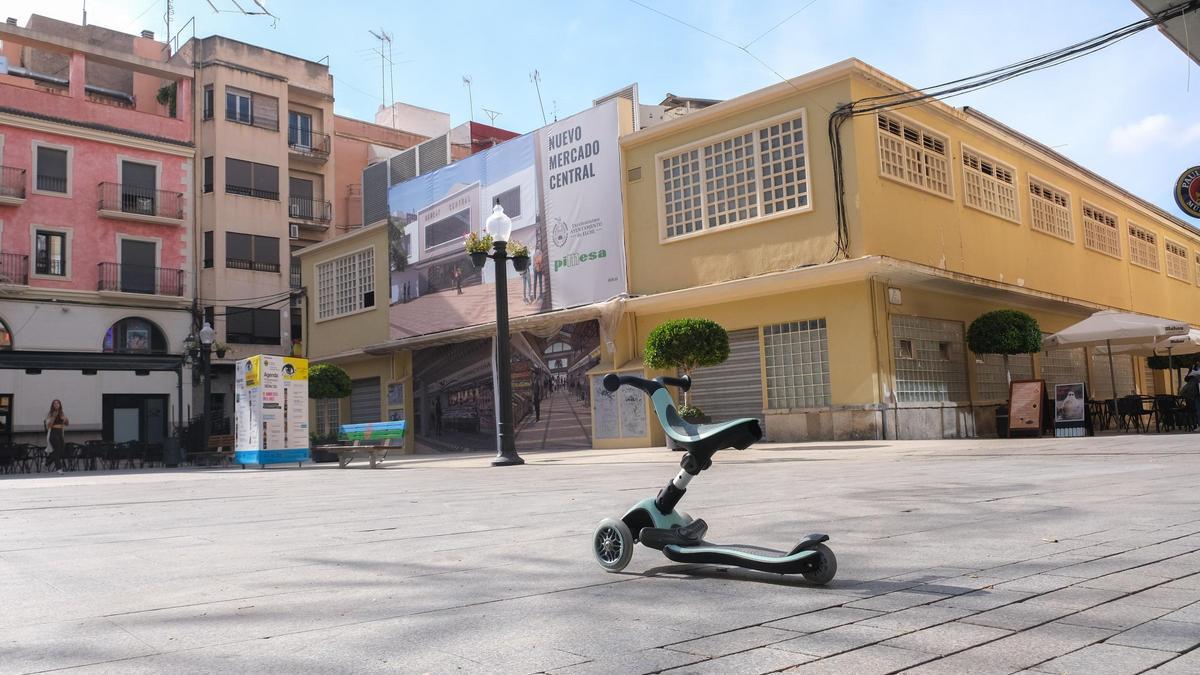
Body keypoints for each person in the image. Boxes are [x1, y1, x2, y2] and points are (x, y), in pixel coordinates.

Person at [44, 399, 69, 474]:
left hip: (60, 433)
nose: (56, 405)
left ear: (60, 405)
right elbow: (48, 426)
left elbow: (67, 424)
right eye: (54, 403)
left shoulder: (62, 413)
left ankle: (46, 463)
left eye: (58, 403)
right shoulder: (50, 413)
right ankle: (59, 469)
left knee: (61, 450)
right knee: (57, 450)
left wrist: (65, 419)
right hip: (53, 433)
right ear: (52, 405)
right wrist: (53, 417)